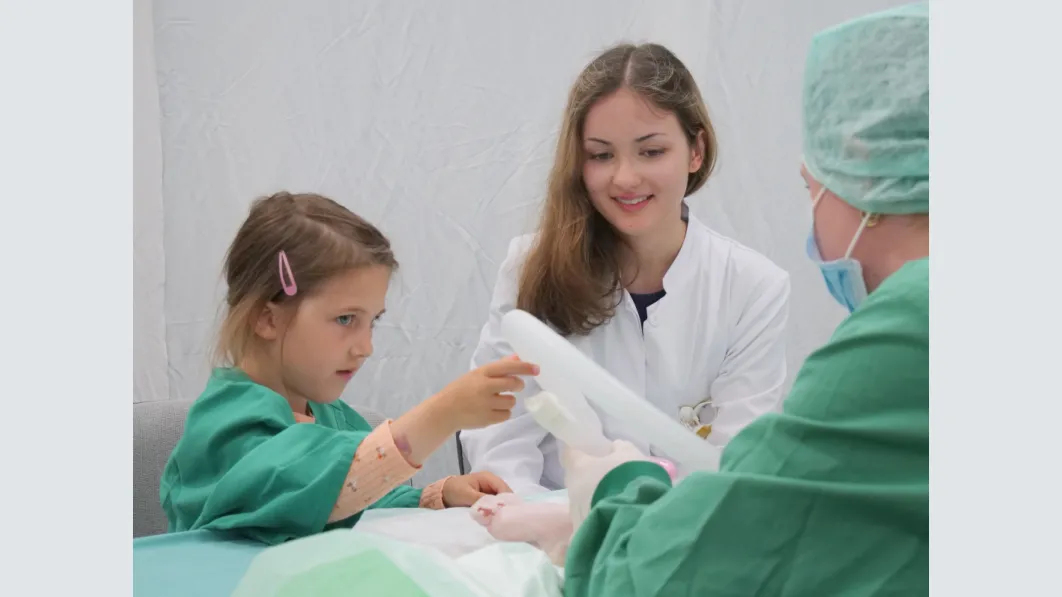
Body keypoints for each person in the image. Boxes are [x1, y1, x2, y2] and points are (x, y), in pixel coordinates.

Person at [560, 3, 930, 595]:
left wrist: (617, 481)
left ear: (868, 178)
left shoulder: (908, 329)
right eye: (601, 154)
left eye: (810, 187)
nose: (625, 177)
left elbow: (670, 574)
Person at [460, 42, 792, 495]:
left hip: (687, 541)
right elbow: (499, 442)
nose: (624, 178)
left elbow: (736, 460)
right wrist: (555, 527)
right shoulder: (530, 268)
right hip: (551, 535)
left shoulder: (754, 288)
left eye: (651, 151)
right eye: (601, 155)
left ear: (696, 150)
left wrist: (658, 537)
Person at [160, 192, 540, 545]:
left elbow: (364, 503)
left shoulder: (328, 414)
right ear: (267, 318)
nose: (365, 348)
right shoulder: (225, 428)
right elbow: (321, 486)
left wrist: (437, 496)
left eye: (372, 321)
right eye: (345, 319)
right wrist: (443, 413)